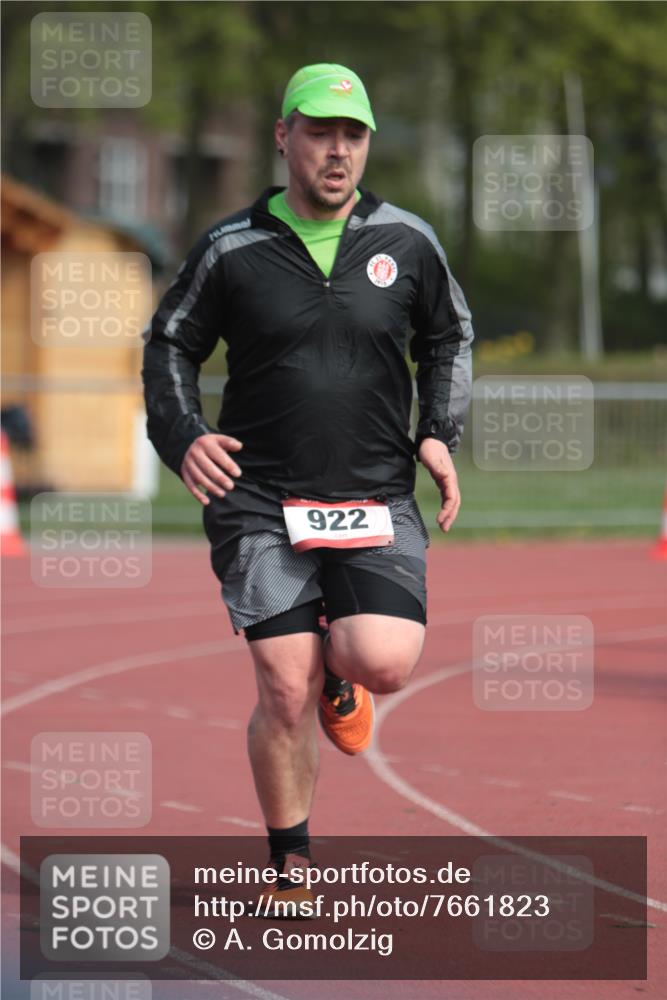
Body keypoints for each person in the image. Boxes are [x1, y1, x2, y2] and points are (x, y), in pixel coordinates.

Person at [142, 63, 473, 917]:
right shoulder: (230, 247)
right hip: (258, 497)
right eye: (320, 132)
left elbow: (449, 336)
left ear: (367, 145)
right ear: (283, 136)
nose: (337, 150)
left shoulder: (407, 241)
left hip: (372, 493)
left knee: (382, 662)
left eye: (352, 135)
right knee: (281, 687)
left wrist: (437, 430)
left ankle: (344, 673)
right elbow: (169, 345)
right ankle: (291, 859)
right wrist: (182, 436)